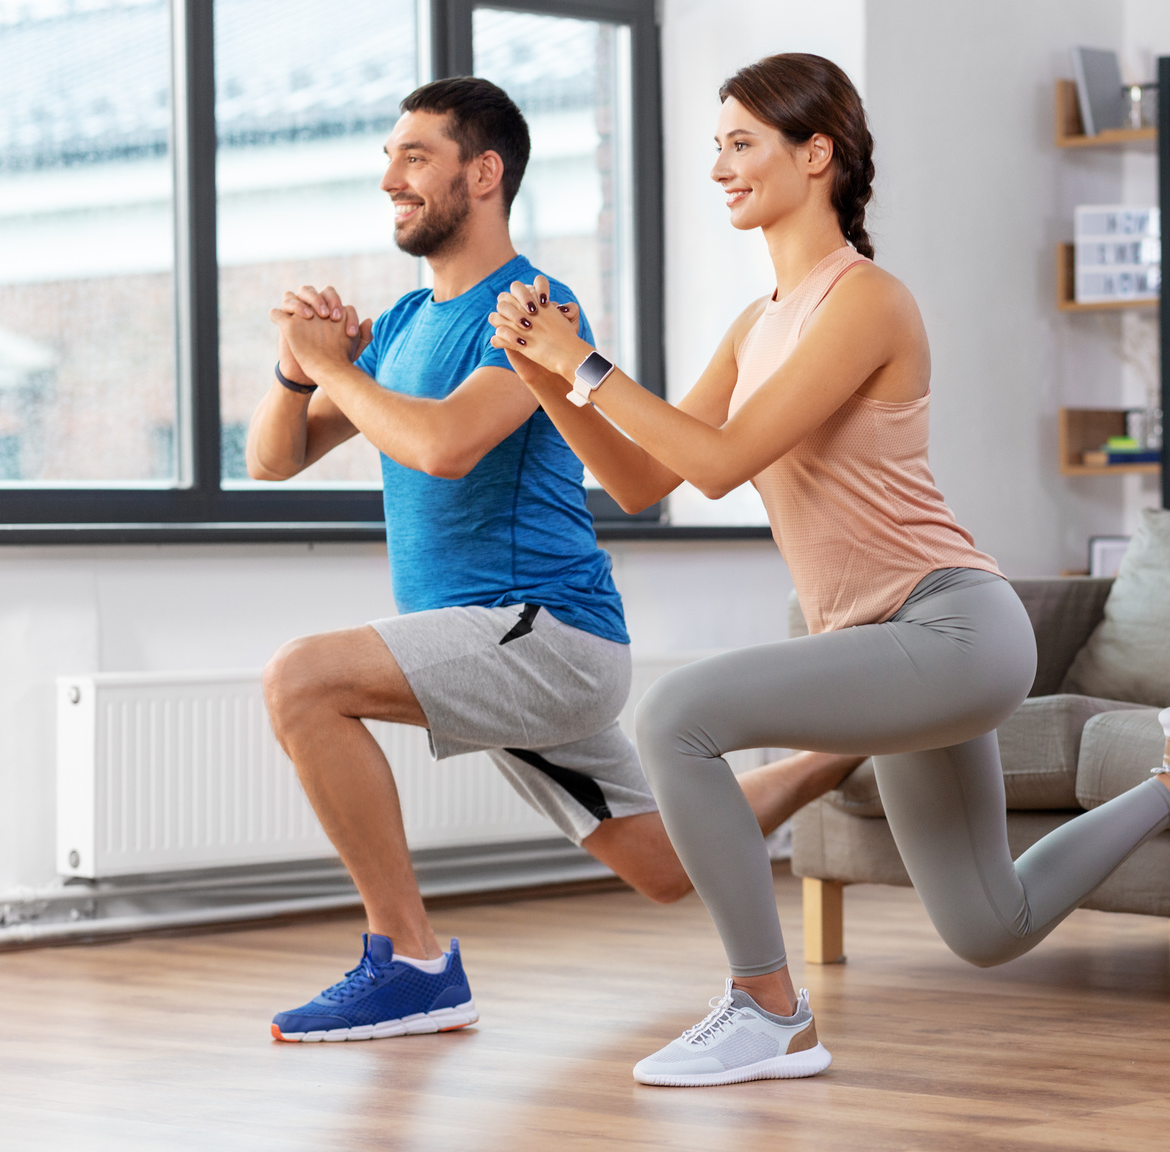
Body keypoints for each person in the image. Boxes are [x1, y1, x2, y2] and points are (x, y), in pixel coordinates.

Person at [486, 52, 1170, 1087]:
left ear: (815, 153)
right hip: (889, 646)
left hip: (953, 629)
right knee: (990, 923)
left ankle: (768, 1009)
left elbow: (724, 461)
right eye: (717, 147)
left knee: (675, 717)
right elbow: (647, 479)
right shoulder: (755, 324)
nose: (720, 168)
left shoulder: (867, 301)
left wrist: (585, 362)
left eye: (740, 143)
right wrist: (549, 381)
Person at [252, 75, 861, 1044]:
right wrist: (295, 371)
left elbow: (446, 446)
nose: (391, 181)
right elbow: (272, 460)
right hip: (489, 639)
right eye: (388, 160)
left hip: (544, 633)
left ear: (483, 174)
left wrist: (330, 365)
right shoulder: (404, 326)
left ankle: (410, 963)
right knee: (662, 864)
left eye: (415, 158)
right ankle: (852, 750)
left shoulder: (532, 307)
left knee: (302, 681)